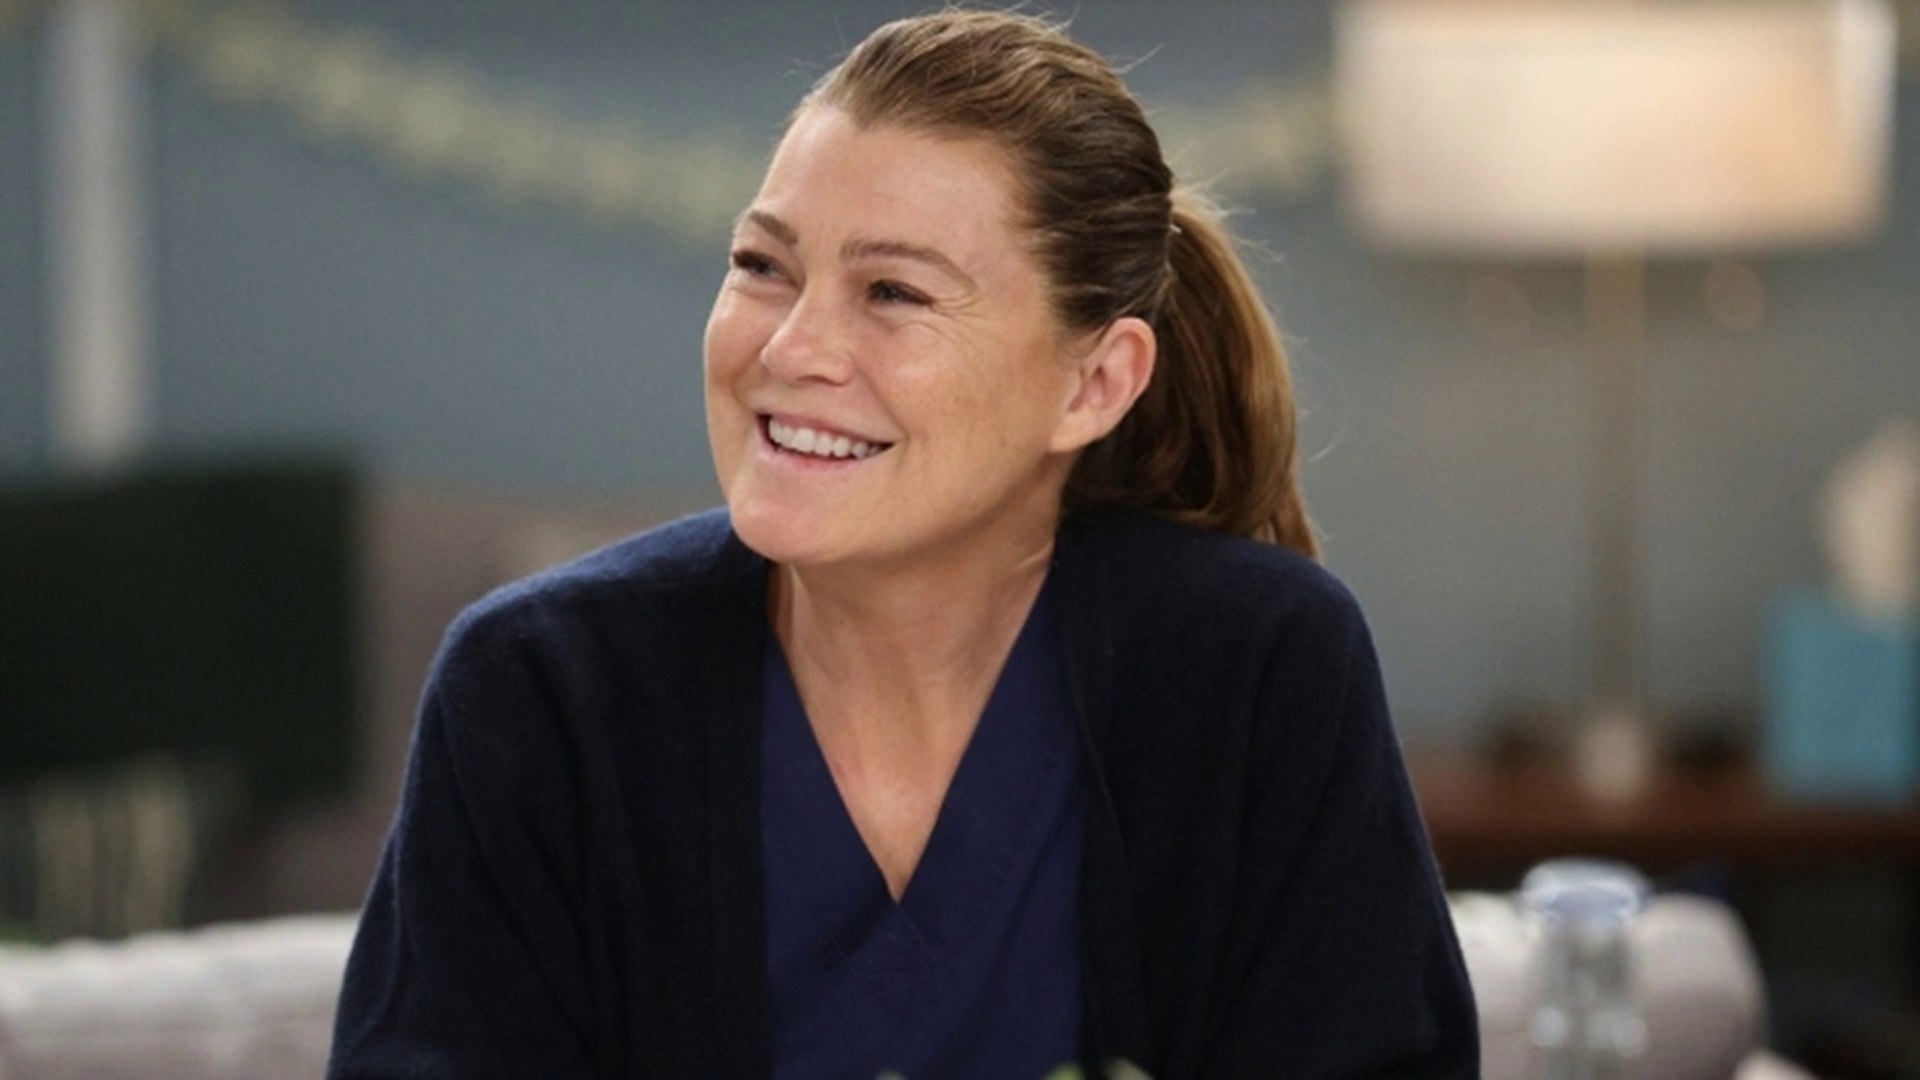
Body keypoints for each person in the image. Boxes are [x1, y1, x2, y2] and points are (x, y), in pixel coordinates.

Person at [329, 9, 1477, 1078]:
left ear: (1094, 383)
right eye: (763, 267)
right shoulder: (538, 690)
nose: (791, 348)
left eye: (893, 292)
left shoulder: (1257, 667)